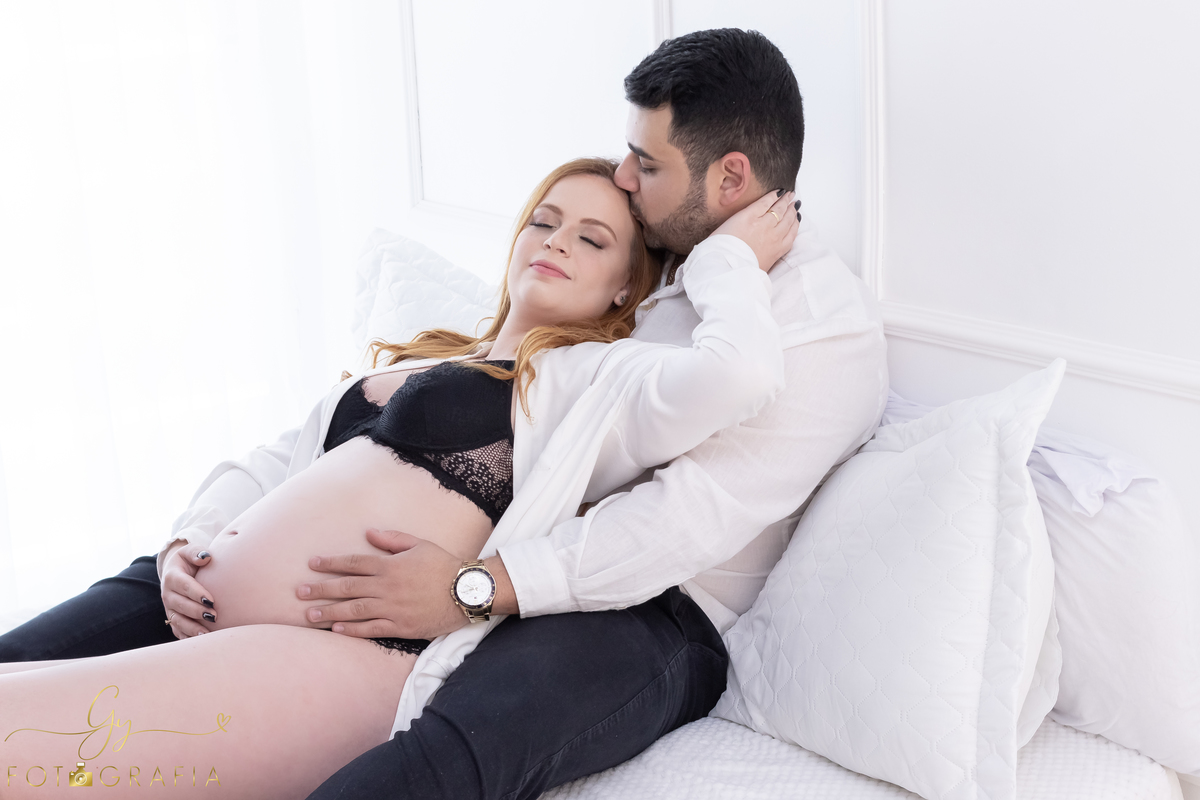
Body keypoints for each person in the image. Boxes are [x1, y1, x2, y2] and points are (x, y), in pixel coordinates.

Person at [0, 28, 887, 800]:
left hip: (658, 608)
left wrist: (478, 589)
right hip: (409, 574)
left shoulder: (809, 330)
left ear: (731, 177)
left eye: (643, 166)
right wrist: (197, 535)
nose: (622, 177)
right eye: (545, 223)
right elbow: (289, 453)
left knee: (464, 739)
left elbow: (681, 520)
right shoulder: (631, 291)